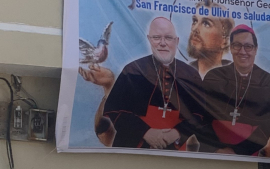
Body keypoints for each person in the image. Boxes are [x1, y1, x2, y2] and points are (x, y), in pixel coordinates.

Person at [80, 16, 205, 150]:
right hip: (133, 152)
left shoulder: (191, 76)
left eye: (168, 38)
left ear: (177, 41)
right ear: (149, 39)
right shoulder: (132, 70)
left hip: (176, 154)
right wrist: (145, 132)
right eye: (156, 37)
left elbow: (200, 115)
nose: (163, 43)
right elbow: (115, 110)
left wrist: (175, 133)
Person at [203, 24, 270, 157]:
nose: (242, 51)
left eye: (248, 46)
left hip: (249, 154)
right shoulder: (214, 77)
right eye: (237, 45)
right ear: (230, 48)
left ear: (255, 49)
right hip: (213, 152)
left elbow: (265, 130)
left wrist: (237, 152)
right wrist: (216, 149)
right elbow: (203, 118)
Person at [187, 0, 234, 79]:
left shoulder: (236, 78)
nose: (194, 29)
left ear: (225, 41)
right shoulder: (181, 74)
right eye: (195, 21)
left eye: (206, 23)